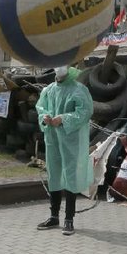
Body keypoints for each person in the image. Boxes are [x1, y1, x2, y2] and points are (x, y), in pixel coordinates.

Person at [35, 65, 93, 235]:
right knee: (53, 174)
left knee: (70, 176)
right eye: (56, 65)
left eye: (63, 65)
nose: (59, 68)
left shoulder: (79, 89)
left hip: (71, 141)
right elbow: (41, 108)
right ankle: (54, 217)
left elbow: (85, 111)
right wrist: (44, 118)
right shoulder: (48, 90)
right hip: (52, 139)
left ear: (69, 68)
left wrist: (64, 119)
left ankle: (69, 219)